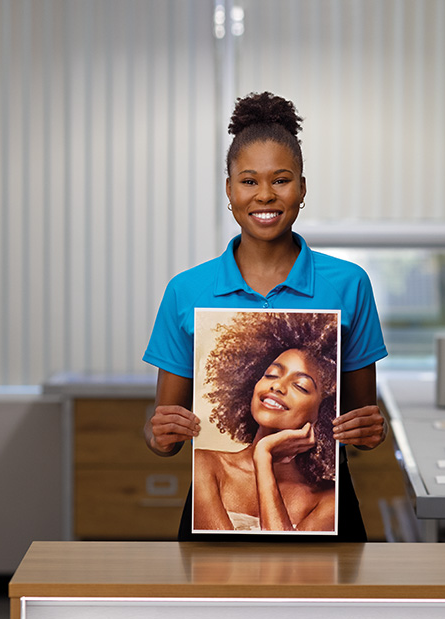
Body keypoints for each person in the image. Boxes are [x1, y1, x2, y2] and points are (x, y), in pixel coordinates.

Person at [143, 90, 388, 542]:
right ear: (230, 190)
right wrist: (159, 433)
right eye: (249, 181)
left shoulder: (349, 284)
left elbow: (357, 421)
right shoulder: (187, 291)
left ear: (302, 187)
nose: (265, 196)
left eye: (281, 180)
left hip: (332, 513)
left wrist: (370, 429)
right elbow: (165, 433)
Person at [193, 311, 339, 533]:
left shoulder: (328, 500)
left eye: (300, 386)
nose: (277, 386)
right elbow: (222, 559)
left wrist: (263, 458)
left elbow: (283, 563)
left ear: (326, 412)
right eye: (271, 374)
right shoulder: (204, 466)